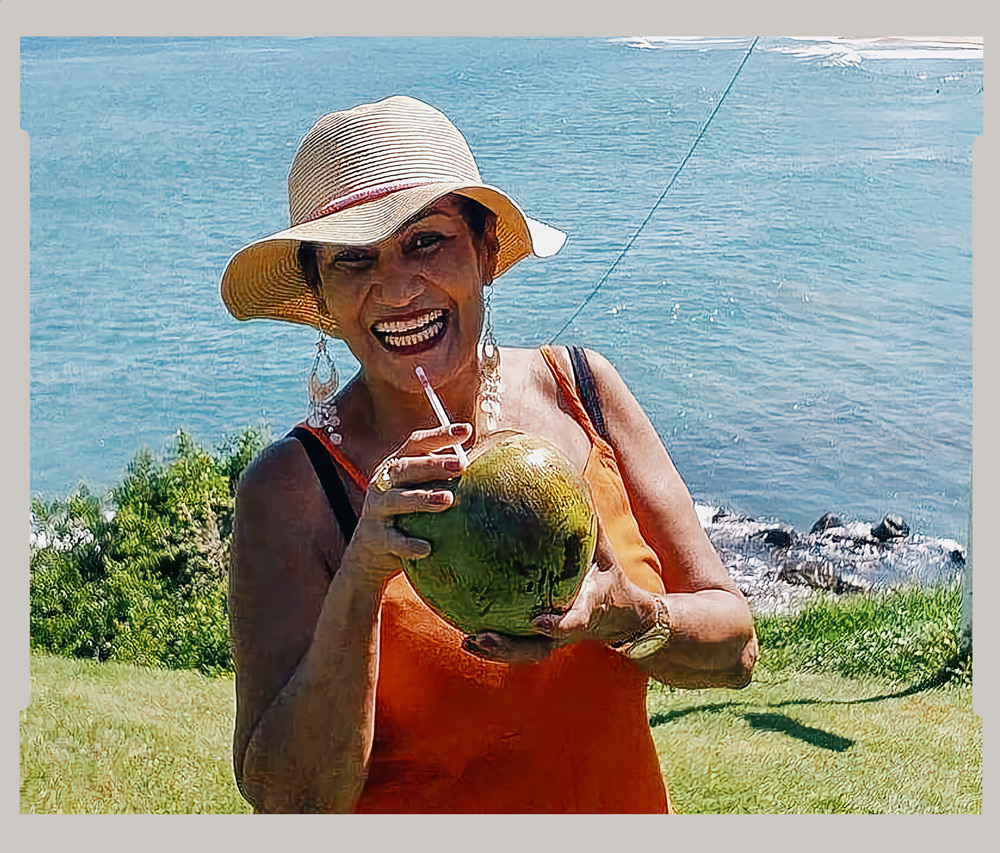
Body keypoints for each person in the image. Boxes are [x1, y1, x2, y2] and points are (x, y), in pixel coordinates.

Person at [220, 95, 758, 814]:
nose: (398, 287)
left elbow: (735, 653)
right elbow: (289, 801)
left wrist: (621, 617)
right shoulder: (294, 490)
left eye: (426, 242)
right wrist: (362, 576)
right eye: (354, 260)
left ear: (486, 252)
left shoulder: (585, 392)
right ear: (321, 295)